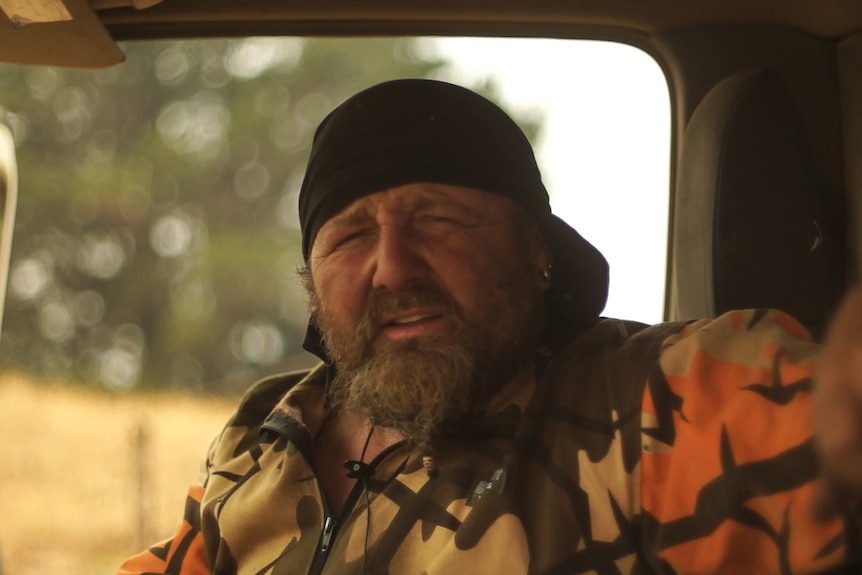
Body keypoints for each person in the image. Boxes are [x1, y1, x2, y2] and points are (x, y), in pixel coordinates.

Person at [118, 78, 862, 574]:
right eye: (349, 235)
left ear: (538, 250)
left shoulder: (653, 403)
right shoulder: (263, 435)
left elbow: (818, 416)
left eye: (437, 219)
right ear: (311, 285)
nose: (393, 266)